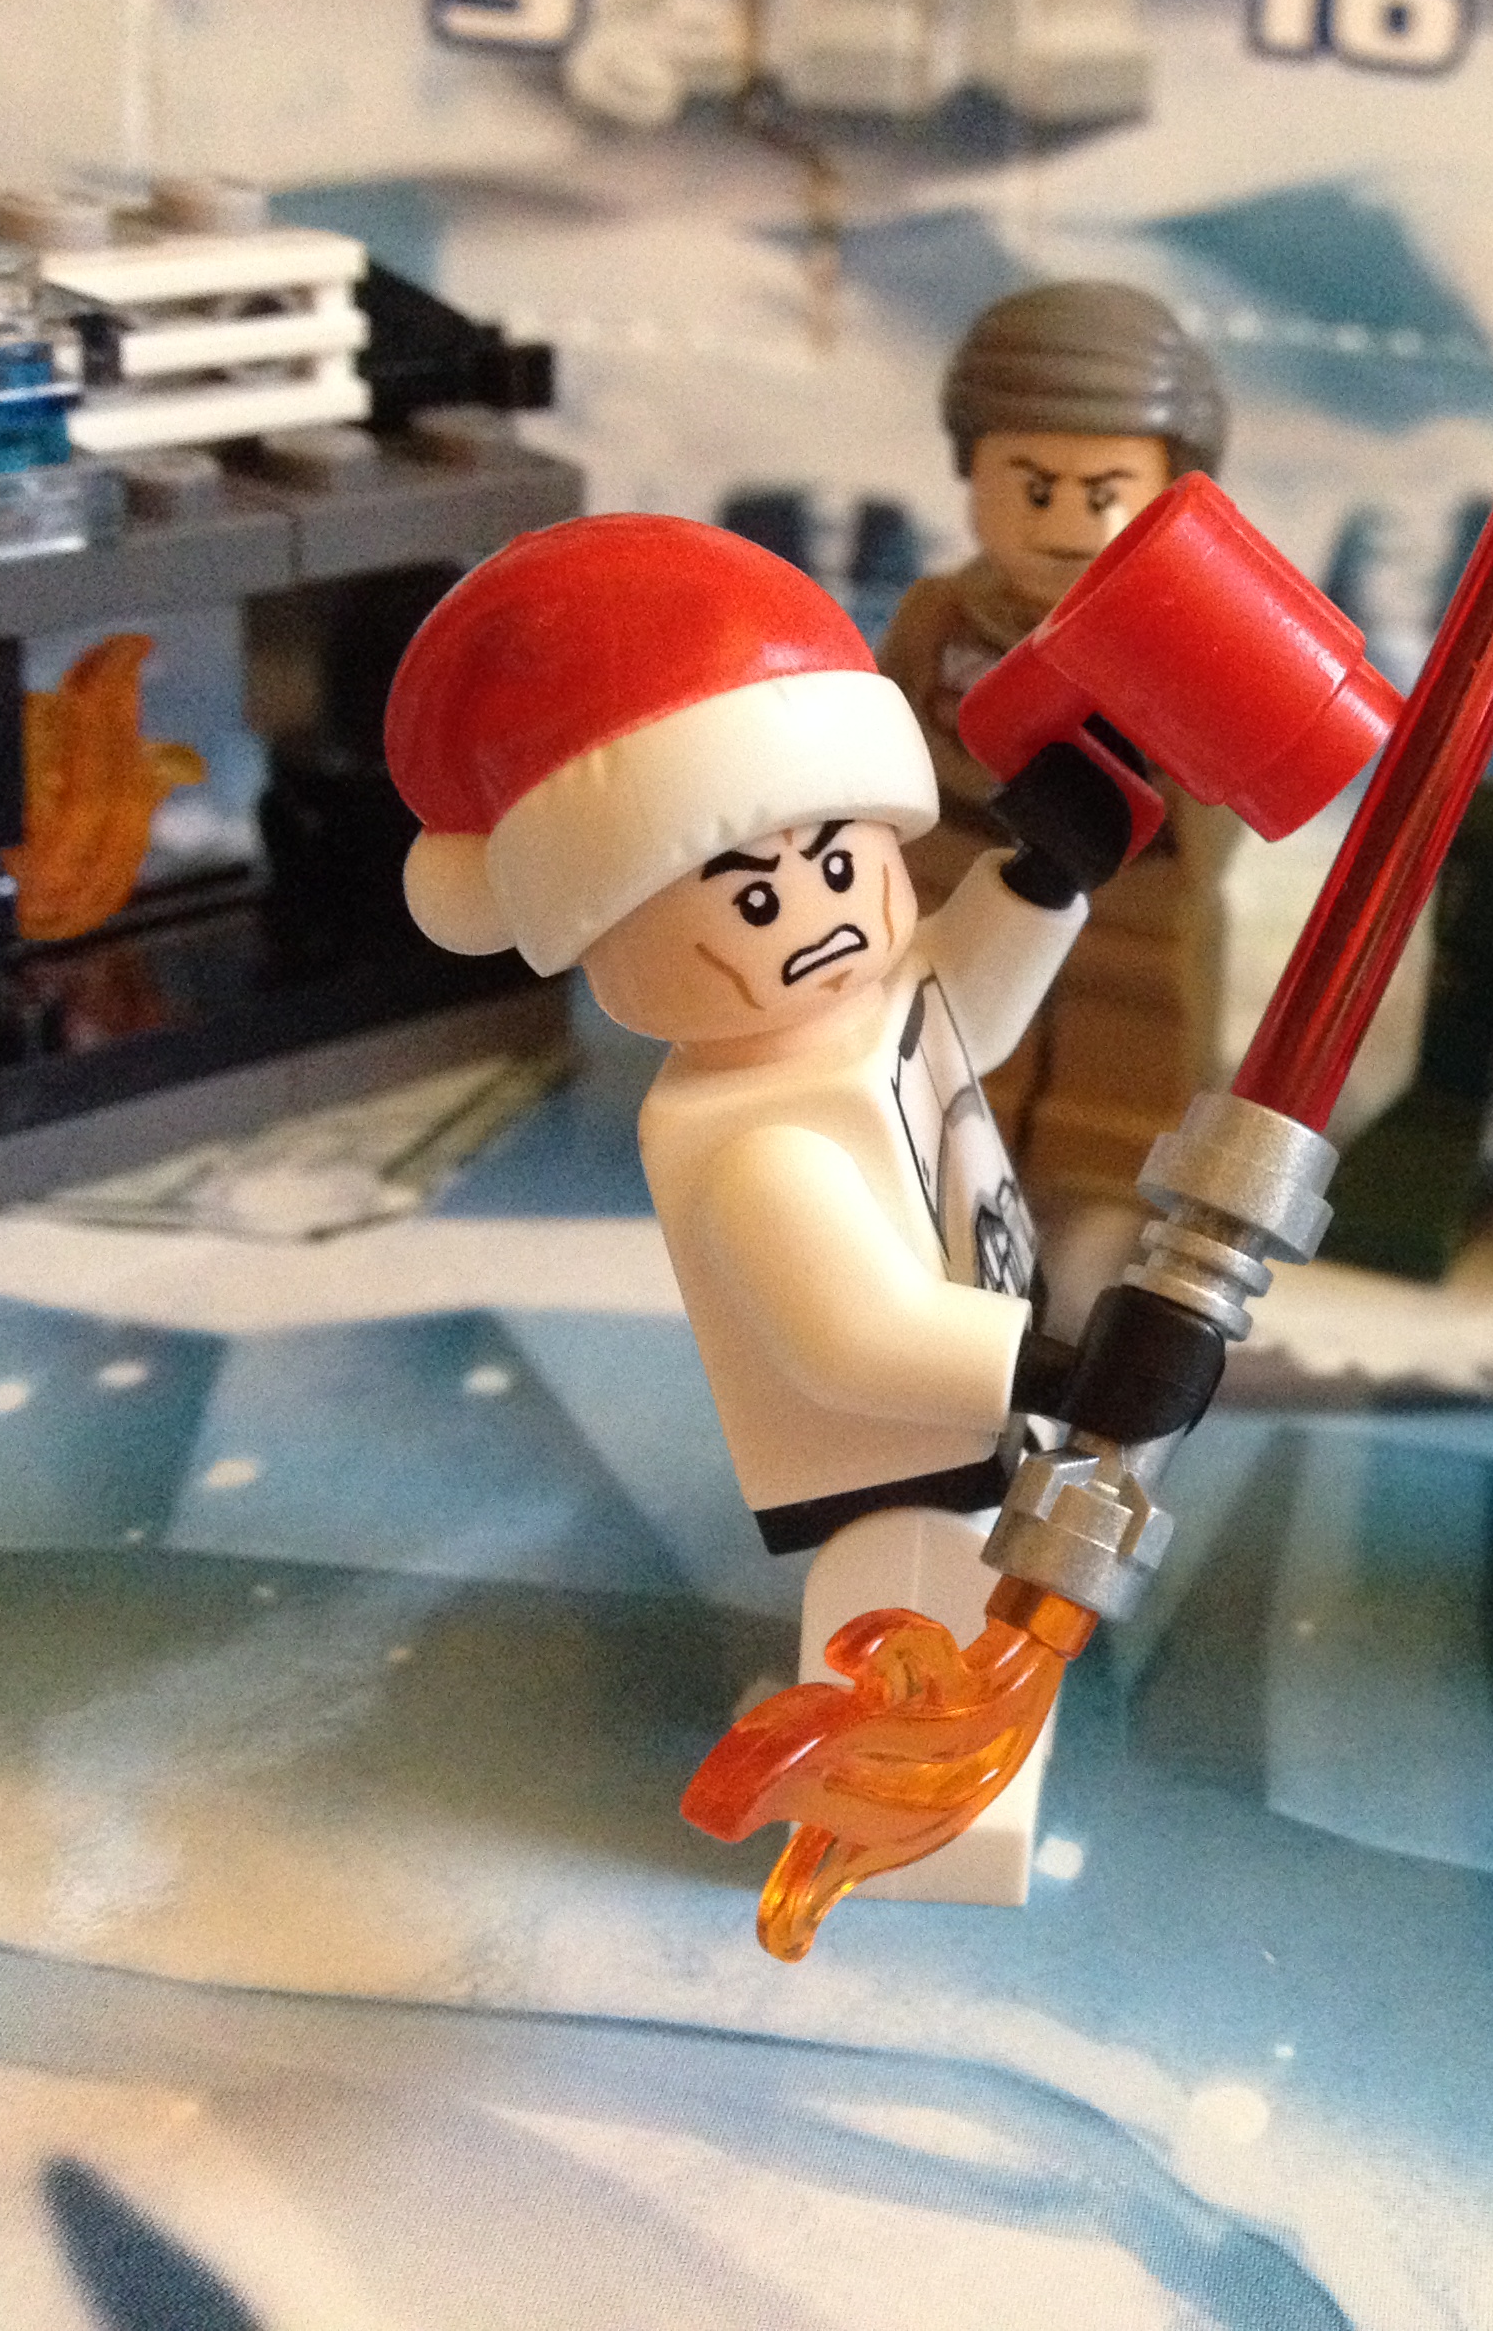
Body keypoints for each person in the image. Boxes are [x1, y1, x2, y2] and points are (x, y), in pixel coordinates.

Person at [388, 511, 1133, 1902]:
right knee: (905, 1606)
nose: (819, 915)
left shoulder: (869, 1012)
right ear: (606, 934)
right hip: (891, 1448)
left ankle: (933, 1775)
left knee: (964, 1599)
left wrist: (1041, 882)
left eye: (839, 864)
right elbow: (854, 1337)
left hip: (977, 1376)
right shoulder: (749, 1139)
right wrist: (1058, 1368)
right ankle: (892, 1812)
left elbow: (957, 1018)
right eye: (748, 900)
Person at [879, 281, 1234, 1199]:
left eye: (1105, 492)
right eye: (1034, 488)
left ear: (1172, 493)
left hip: (1127, 892)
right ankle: (940, 1141)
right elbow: (874, 742)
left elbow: (1225, 790)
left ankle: (1111, 1169)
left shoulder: (1187, 642)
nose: (1068, 524)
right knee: (949, 1020)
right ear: (973, 473)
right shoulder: (939, 618)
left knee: (1127, 1029)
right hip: (952, 873)